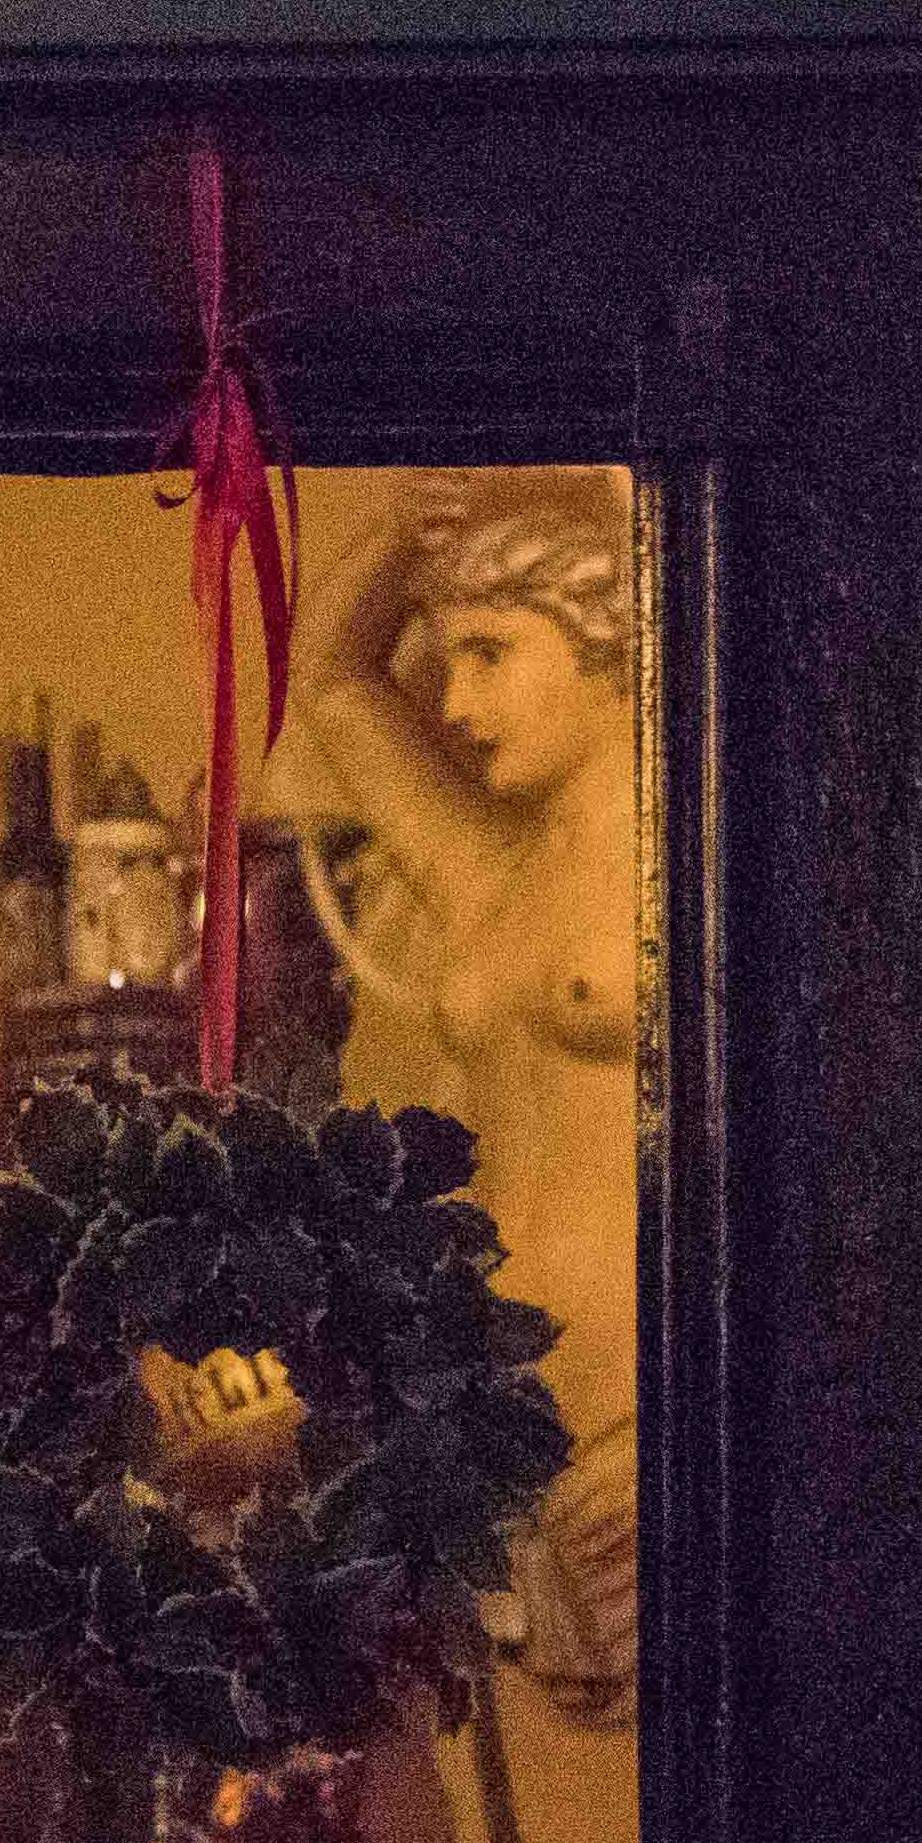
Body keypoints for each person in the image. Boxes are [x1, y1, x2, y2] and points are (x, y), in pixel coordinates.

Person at [272, 470, 644, 1734]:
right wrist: (402, 517)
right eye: (449, 656)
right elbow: (327, 684)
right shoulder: (493, 875)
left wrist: (714, 1412)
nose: (458, 699)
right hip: (518, 1459)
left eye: (489, 652)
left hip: (662, 1438)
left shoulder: (698, 858)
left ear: (609, 636)